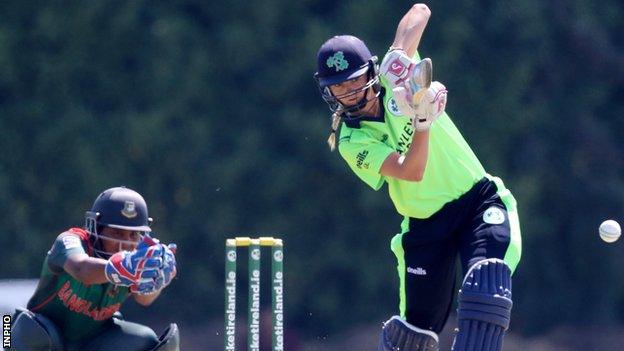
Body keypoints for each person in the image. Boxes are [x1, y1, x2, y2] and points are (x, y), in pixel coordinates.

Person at [314, 3, 521, 351]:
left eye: (354, 82)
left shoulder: (397, 78)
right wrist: (422, 122)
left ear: (370, 74)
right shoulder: (352, 140)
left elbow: (420, 11)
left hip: (477, 202)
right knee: (412, 337)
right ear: (328, 91)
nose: (349, 93)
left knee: (486, 285)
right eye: (339, 88)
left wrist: (398, 55)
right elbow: (411, 170)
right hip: (425, 227)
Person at [11, 186, 179, 351]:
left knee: (151, 342)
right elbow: (81, 269)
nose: (126, 244)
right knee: (27, 330)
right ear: (95, 227)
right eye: (117, 233)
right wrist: (119, 269)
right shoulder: (70, 241)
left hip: (94, 340)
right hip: (46, 334)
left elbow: (144, 299)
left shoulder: (136, 262)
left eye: (133, 235)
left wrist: (159, 279)